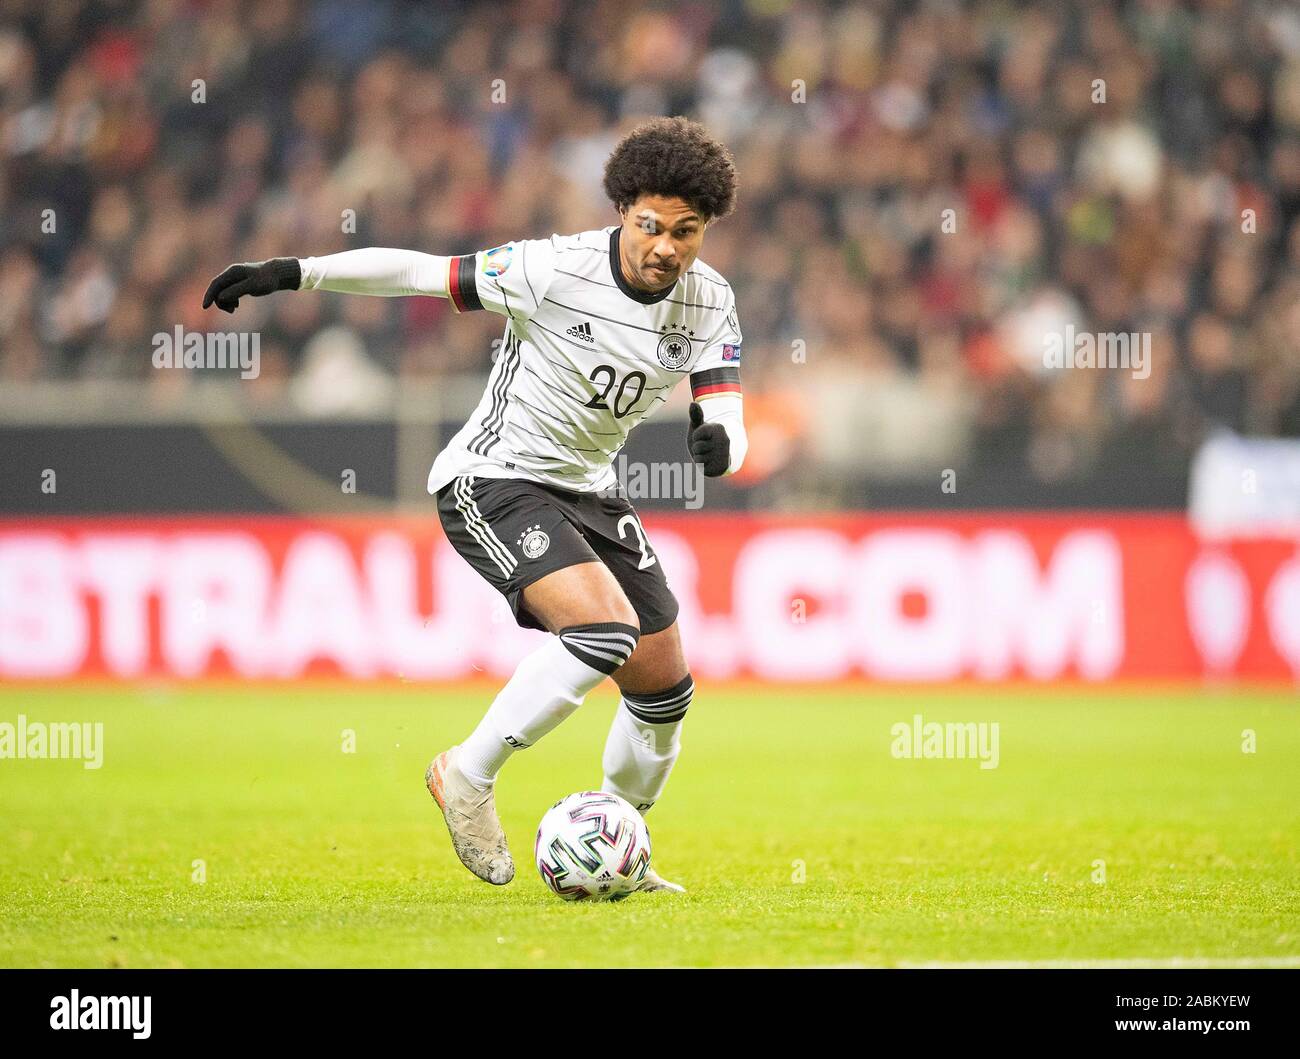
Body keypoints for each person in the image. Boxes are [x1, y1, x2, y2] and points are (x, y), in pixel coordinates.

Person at [203, 116, 747, 893]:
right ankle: (466, 773)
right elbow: (421, 274)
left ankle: (621, 844)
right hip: (492, 478)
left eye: (686, 232)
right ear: (624, 210)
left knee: (663, 689)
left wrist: (721, 441)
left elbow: (727, 412)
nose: (666, 246)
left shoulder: (710, 302)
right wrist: (296, 271)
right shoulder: (551, 269)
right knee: (603, 631)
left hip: (589, 487)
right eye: (652, 225)